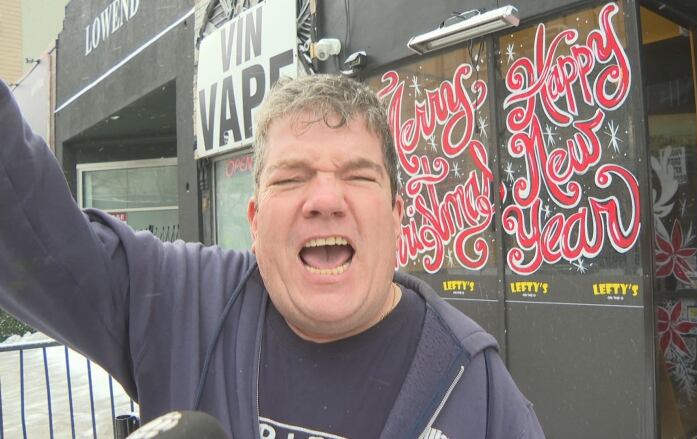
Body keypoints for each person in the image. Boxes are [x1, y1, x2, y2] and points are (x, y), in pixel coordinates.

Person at [0, 75, 544, 438]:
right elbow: (28, 228)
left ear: (398, 213)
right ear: (256, 221)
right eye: (292, 177)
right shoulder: (177, 301)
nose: (326, 200)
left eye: (357, 175)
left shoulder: (477, 390)